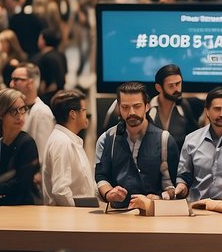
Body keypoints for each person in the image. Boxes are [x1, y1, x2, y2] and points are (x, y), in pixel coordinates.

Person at [95, 81, 179, 210]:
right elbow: (101, 175)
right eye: (125, 107)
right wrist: (108, 193)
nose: (131, 112)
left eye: (137, 106)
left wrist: (160, 197)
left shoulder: (165, 139)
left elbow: (174, 186)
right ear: (118, 107)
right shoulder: (107, 139)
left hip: (154, 214)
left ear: (147, 106)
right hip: (117, 214)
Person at [172, 87, 222, 202]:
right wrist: (182, 186)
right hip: (198, 208)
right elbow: (184, 175)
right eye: (217, 109)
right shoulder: (191, 140)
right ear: (207, 111)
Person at [0, 87, 41, 211]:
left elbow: (23, 183)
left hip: (23, 206)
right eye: (13, 111)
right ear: (0, 113)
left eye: (23, 109)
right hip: (0, 204)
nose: (20, 116)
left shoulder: (27, 142)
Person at [41, 89, 97, 207]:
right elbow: (60, 190)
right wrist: (75, 213)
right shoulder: (62, 142)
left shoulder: (67, 138)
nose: (87, 114)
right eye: (84, 110)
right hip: (68, 220)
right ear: (73, 114)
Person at [9, 63, 55, 157]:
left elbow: (42, 155)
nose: (11, 84)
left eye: (16, 80)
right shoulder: (13, 110)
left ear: (30, 83)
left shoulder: (42, 113)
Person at [146, 63, 194, 150]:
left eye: (178, 83)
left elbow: (194, 138)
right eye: (171, 86)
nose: (177, 89)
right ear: (158, 88)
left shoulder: (184, 106)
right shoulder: (147, 108)